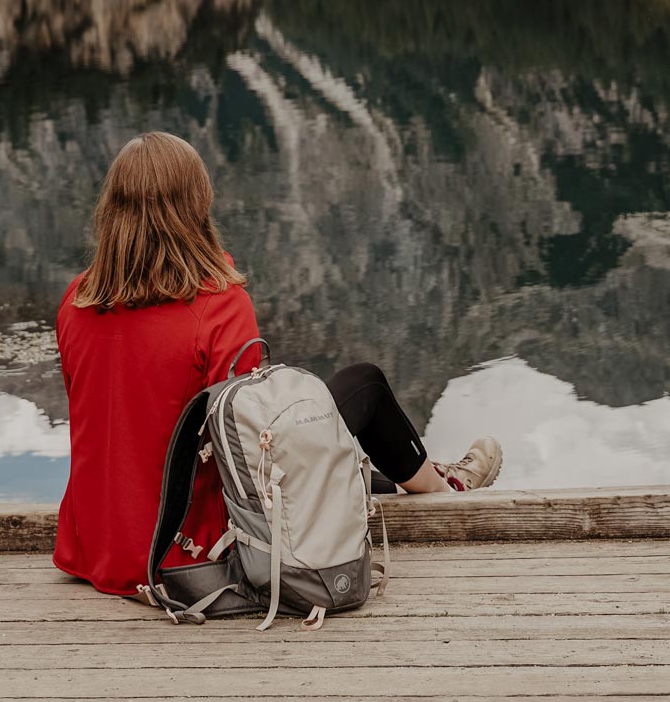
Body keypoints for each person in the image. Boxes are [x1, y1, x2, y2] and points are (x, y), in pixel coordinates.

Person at [53, 131, 502, 598]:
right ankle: (441, 485)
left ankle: (416, 474)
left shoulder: (77, 300)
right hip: (185, 552)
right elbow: (251, 450)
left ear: (113, 209)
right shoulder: (219, 306)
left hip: (94, 545)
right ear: (195, 205)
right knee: (359, 387)